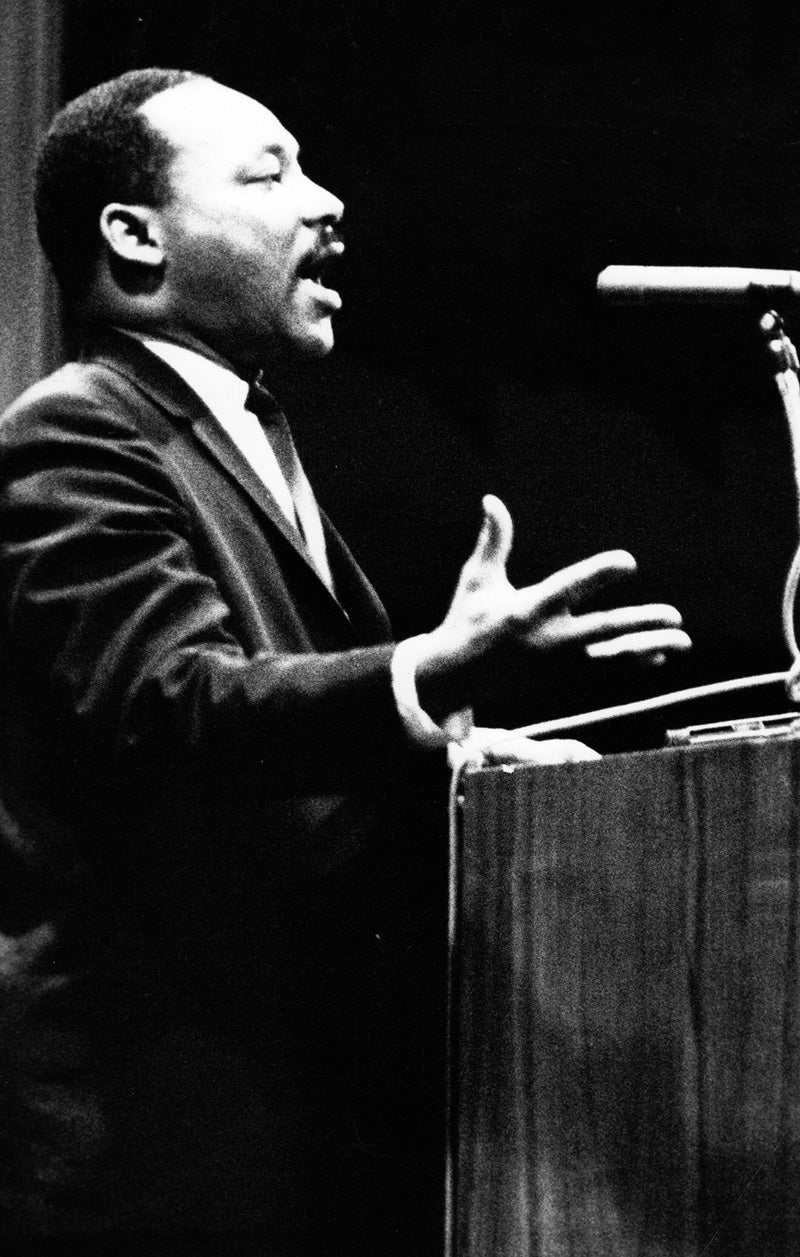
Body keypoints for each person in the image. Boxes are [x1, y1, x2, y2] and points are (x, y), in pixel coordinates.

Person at [0, 68, 690, 1254]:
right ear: (133, 236)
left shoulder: (245, 430)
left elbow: (289, 774)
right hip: (155, 1142)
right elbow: (178, 702)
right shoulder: (73, 434)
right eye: (268, 174)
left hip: (284, 1128)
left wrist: (460, 755)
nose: (323, 205)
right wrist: (418, 674)